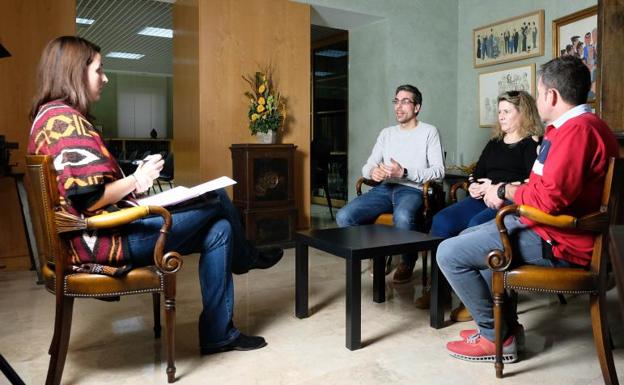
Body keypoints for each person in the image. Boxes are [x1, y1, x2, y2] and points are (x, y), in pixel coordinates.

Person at [28, 36, 282, 355]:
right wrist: (136, 180)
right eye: (99, 70)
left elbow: (85, 182)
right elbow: (86, 197)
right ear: (74, 72)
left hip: (92, 236)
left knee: (221, 230)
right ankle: (246, 259)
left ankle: (219, 333)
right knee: (217, 197)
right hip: (105, 242)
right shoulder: (65, 120)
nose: (105, 78)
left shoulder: (49, 116)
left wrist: (133, 178)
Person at [437, 55, 619, 363]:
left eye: (538, 91)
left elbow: (548, 198)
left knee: (449, 253)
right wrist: (514, 191)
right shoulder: (578, 128)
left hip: (560, 241)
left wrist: (505, 190)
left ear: (551, 95)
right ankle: (505, 327)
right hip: (549, 227)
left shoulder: (578, 131)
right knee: (469, 236)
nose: (536, 98)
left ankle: (496, 336)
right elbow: (540, 184)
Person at [422, 91, 542, 317]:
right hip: (480, 198)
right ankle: (440, 291)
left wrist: (496, 186)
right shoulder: (494, 143)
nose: (501, 117)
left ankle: (477, 297)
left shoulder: (531, 144)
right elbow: (474, 173)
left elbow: (532, 181)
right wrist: (474, 186)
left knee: (475, 227)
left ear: (523, 113)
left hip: (507, 200)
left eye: (507, 111)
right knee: (441, 220)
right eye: (499, 112)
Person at [335, 84, 444, 283]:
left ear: (417, 107)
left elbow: (438, 172)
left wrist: (404, 172)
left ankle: (407, 262)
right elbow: (368, 165)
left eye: (405, 101)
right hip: (384, 189)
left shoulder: (429, 132)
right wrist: (372, 172)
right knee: (344, 216)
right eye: (396, 101)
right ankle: (377, 254)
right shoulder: (387, 133)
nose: (398, 107)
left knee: (403, 216)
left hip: (412, 190)